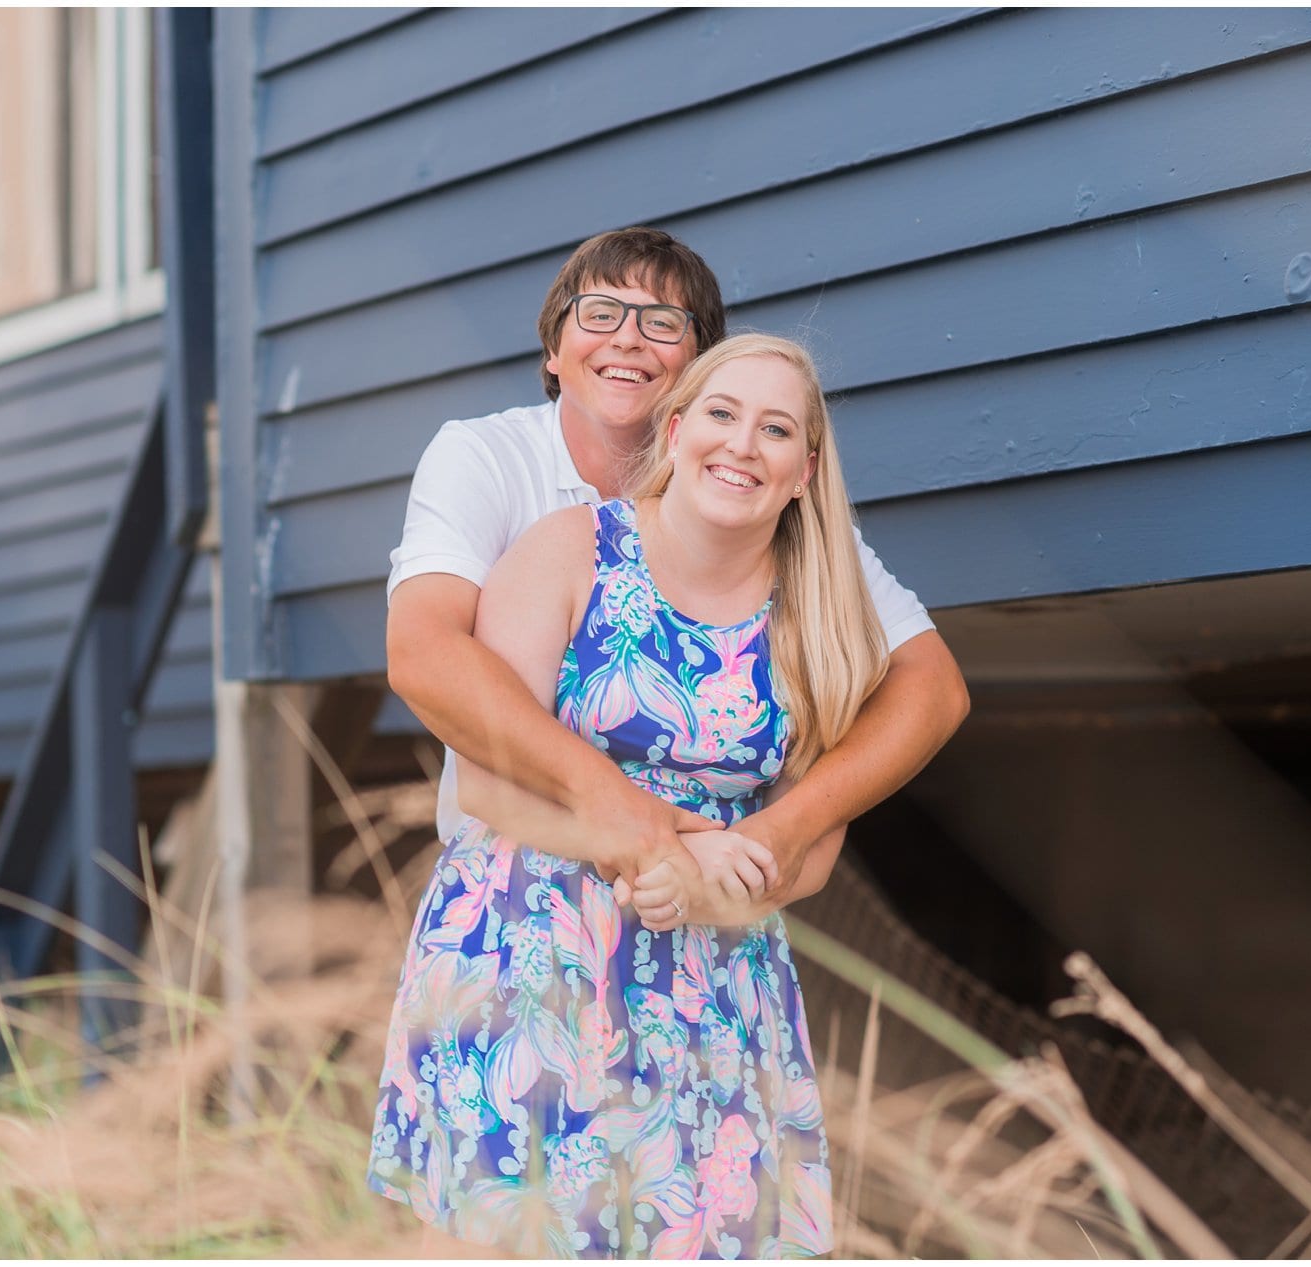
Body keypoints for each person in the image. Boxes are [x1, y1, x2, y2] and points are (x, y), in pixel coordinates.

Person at [367, 333, 892, 1256]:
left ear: (806, 471)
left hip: (719, 977)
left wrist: (719, 885)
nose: (742, 445)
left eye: (776, 430)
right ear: (677, 427)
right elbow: (490, 778)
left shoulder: (820, 613)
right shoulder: (570, 549)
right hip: (531, 955)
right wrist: (669, 844)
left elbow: (816, 844)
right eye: (722, 415)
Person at [384, 226, 967, 905]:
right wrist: (621, 810)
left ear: (700, 366)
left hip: (707, 909)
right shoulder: (486, 459)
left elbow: (932, 685)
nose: (628, 339)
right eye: (600, 314)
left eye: (662, 323)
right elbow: (423, 651)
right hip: (525, 893)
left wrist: (786, 829)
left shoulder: (759, 507)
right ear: (553, 347)